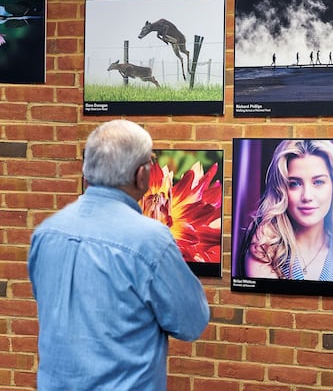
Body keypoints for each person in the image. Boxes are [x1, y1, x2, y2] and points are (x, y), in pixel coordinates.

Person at [28, 119, 210, 390]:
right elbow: (191, 323)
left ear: (86, 170)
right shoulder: (151, 242)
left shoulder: (45, 233)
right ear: (141, 176)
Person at [239, 139, 333, 282]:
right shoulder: (265, 247)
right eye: (294, 184)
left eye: (318, 182)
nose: (307, 196)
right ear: (281, 190)